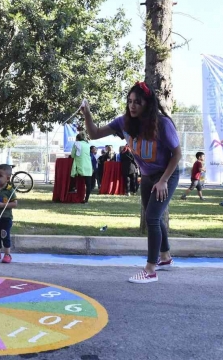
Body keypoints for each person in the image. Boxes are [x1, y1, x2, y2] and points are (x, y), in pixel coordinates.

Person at [80, 81, 182, 284]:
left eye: (137, 102)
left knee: (152, 218)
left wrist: (163, 181)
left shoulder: (162, 123)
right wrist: (87, 114)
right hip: (146, 175)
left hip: (166, 175)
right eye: (129, 102)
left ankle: (150, 270)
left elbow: (177, 154)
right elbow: (94, 134)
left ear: (147, 103)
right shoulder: (124, 122)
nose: (132, 106)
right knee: (155, 217)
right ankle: (166, 258)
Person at [70, 131, 93, 203]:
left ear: (77, 138)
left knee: (76, 181)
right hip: (88, 165)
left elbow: (72, 155)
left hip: (80, 165)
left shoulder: (76, 144)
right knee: (88, 184)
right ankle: (86, 199)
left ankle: (76, 196)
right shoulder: (87, 144)